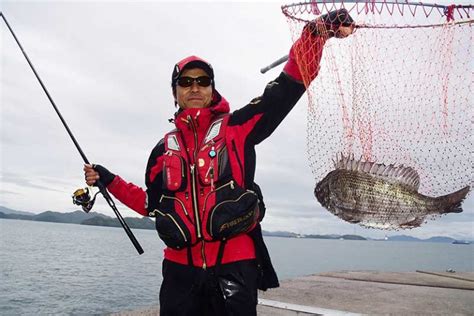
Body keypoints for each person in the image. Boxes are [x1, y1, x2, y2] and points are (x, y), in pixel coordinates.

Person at [84, 9, 354, 316]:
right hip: (178, 274)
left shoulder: (238, 128)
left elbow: (288, 86)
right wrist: (108, 180)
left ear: (212, 89)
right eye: (185, 81)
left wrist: (315, 35)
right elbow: (149, 203)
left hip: (235, 269)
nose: (195, 87)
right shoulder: (162, 150)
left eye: (203, 81)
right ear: (175, 93)